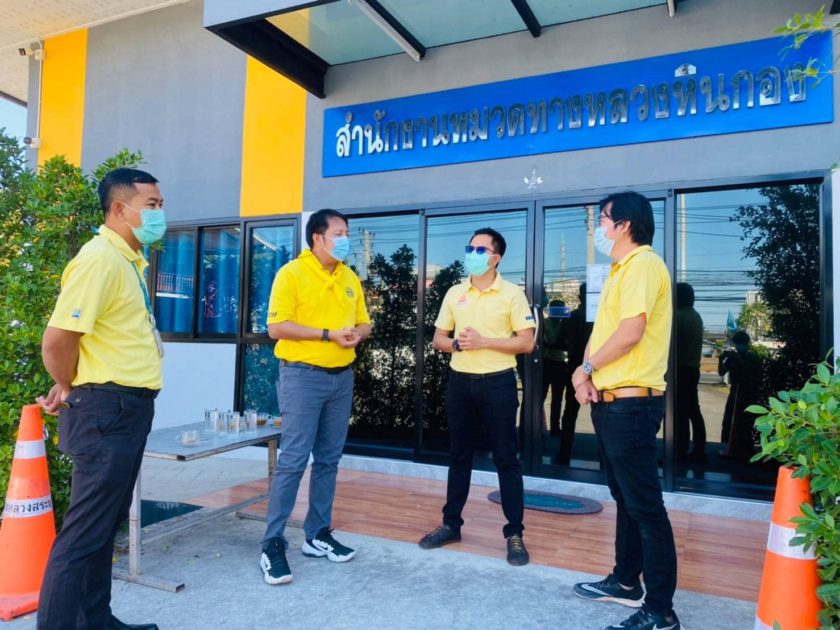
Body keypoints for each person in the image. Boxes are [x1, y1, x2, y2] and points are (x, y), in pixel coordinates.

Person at [36, 168, 166, 630]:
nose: (160, 214)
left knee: (103, 525)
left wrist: (75, 380)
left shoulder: (127, 262)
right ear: (119, 209)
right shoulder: (100, 260)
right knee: (82, 536)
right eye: (152, 205)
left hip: (125, 408)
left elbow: (95, 341)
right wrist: (72, 387)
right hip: (107, 411)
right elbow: (57, 341)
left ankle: (96, 621)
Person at [570, 192, 682, 630]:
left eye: (603, 219)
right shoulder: (620, 270)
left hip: (632, 405)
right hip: (611, 401)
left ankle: (661, 610)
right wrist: (584, 375)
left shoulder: (643, 264)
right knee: (626, 499)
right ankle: (625, 580)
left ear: (625, 225)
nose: (599, 227)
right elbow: (603, 333)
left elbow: (632, 331)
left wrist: (587, 369)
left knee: (646, 507)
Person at [259, 209, 371, 586]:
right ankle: (272, 543)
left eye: (347, 232)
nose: (345, 239)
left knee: (328, 460)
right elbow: (276, 327)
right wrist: (327, 335)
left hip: (342, 377)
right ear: (318, 239)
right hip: (302, 377)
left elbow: (364, 321)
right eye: (339, 233)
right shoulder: (291, 273)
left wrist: (356, 334)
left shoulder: (349, 276)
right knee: (293, 459)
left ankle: (317, 534)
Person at [417, 228, 535, 566]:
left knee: (506, 459)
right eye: (470, 248)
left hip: (498, 384)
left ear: (496, 258)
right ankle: (451, 525)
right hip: (460, 383)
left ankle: (514, 534)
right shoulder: (456, 292)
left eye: (480, 250)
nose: (472, 254)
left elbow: (526, 342)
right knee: (459, 456)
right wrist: (457, 343)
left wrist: (485, 342)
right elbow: (439, 339)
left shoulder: (512, 294)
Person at [556, 283, 593, 465]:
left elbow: (558, 342)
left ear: (579, 297)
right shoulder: (600, 318)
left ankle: (564, 453)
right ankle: (605, 460)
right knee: (601, 414)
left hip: (574, 369)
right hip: (597, 369)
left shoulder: (571, 317)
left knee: (570, 412)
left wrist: (570, 346)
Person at [674, 282, 707, 463]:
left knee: (680, 413)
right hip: (692, 369)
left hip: (680, 370)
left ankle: (680, 451)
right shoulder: (696, 316)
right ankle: (698, 448)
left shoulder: (678, 317)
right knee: (693, 410)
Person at [718, 330, 761, 462]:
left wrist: (738, 360)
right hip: (734, 393)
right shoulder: (732, 357)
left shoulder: (752, 358)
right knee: (728, 421)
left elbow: (750, 374)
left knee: (745, 422)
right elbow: (722, 372)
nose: (738, 347)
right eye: (737, 344)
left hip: (747, 394)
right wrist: (721, 360)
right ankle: (729, 446)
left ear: (746, 344)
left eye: (740, 344)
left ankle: (745, 449)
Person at [542, 299, 568, 438]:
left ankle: (555, 427)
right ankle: (538, 427)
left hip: (558, 363)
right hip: (546, 363)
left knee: (557, 399)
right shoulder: (544, 323)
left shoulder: (564, 324)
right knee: (541, 397)